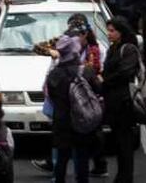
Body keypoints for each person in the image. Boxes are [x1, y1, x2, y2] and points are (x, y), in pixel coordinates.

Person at [46, 35, 98, 183]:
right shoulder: (85, 71)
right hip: (82, 119)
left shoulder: (54, 74)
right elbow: (97, 89)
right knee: (82, 156)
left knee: (61, 157)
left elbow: (51, 96)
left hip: (62, 120)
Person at [98, 17, 140, 182]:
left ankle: (125, 177)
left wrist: (105, 80)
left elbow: (125, 73)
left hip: (124, 102)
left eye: (112, 31)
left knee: (125, 142)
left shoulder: (129, 49)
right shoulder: (113, 48)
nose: (109, 34)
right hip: (112, 101)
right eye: (108, 30)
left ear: (121, 32)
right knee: (118, 141)